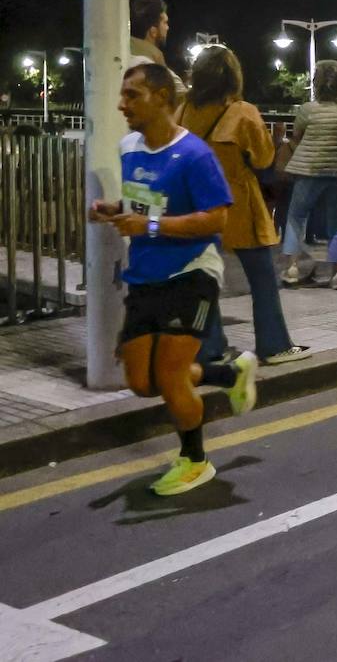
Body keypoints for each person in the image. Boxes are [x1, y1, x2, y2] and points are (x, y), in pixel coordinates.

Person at [88, 63, 256, 496]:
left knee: (170, 376)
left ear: (162, 98)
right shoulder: (129, 147)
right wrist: (115, 209)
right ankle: (227, 374)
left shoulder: (195, 155)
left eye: (132, 95)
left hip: (190, 272)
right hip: (145, 273)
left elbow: (216, 217)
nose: (122, 104)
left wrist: (150, 229)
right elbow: (146, 203)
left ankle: (195, 461)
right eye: (123, 95)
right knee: (141, 382)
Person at [179, 46, 308, 366]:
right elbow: (264, 159)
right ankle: (274, 345)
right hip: (240, 205)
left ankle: (209, 348)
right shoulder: (243, 112)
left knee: (203, 280)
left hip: (197, 205)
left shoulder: (183, 109)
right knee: (263, 278)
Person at [281, 61, 337, 288]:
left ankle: (293, 268)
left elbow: (297, 136)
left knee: (297, 216)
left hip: (310, 169)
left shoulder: (307, 110)